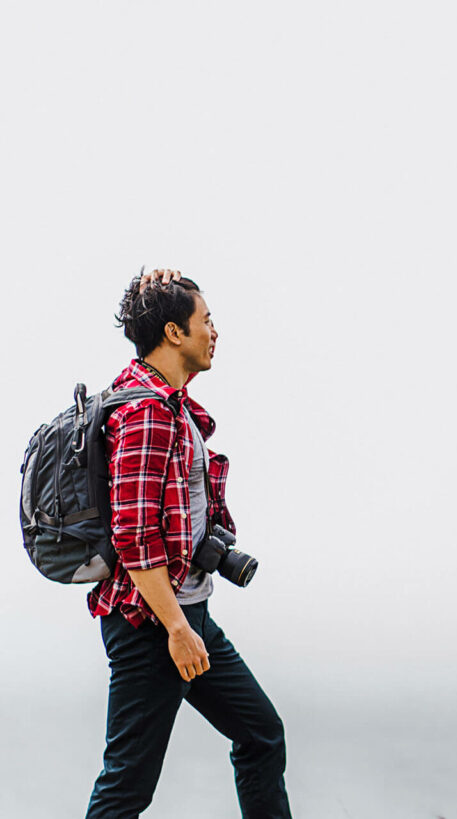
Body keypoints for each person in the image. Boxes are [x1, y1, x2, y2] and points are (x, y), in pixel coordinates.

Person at [85, 269, 291, 819]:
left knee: (261, 735)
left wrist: (153, 289)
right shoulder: (146, 412)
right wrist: (176, 629)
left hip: (187, 616)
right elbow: (133, 535)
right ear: (174, 333)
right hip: (153, 625)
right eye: (206, 320)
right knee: (126, 786)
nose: (214, 332)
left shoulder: (169, 403)